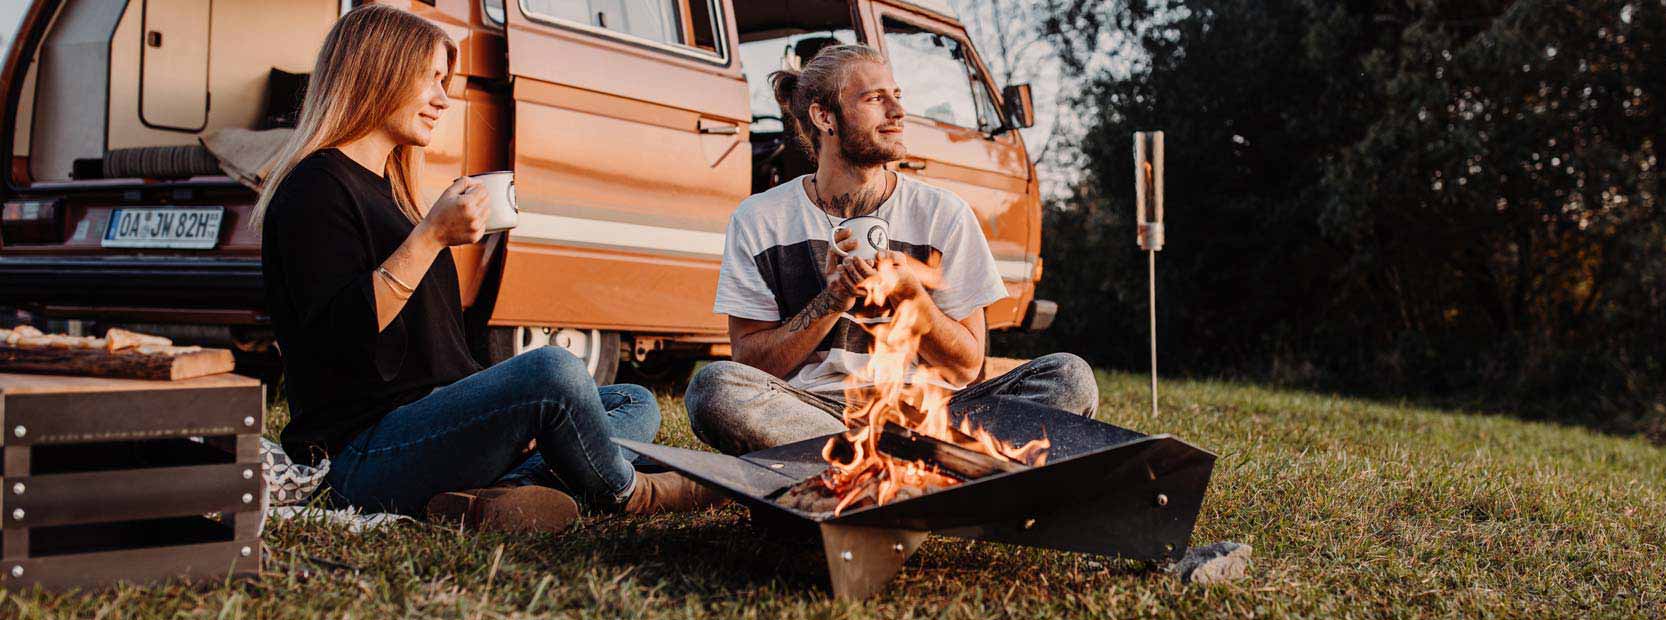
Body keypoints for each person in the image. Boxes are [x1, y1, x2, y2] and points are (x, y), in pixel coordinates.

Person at [255, 5, 715, 532]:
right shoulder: (314, 188)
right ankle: (628, 492)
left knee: (631, 399)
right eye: (429, 79)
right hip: (361, 456)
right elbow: (339, 337)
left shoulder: (392, 192)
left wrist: (504, 409)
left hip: (430, 426)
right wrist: (431, 237)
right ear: (379, 71)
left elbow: (438, 361)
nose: (442, 100)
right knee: (553, 371)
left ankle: (494, 496)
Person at [684, 44, 1099, 455]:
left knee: (1068, 377)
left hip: (934, 413)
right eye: (875, 99)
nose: (898, 113)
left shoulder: (943, 214)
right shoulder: (760, 219)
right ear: (824, 116)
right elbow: (750, 364)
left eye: (897, 96)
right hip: (817, 413)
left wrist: (911, 298)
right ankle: (911, 466)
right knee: (714, 388)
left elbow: (968, 366)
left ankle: (856, 464)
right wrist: (832, 300)